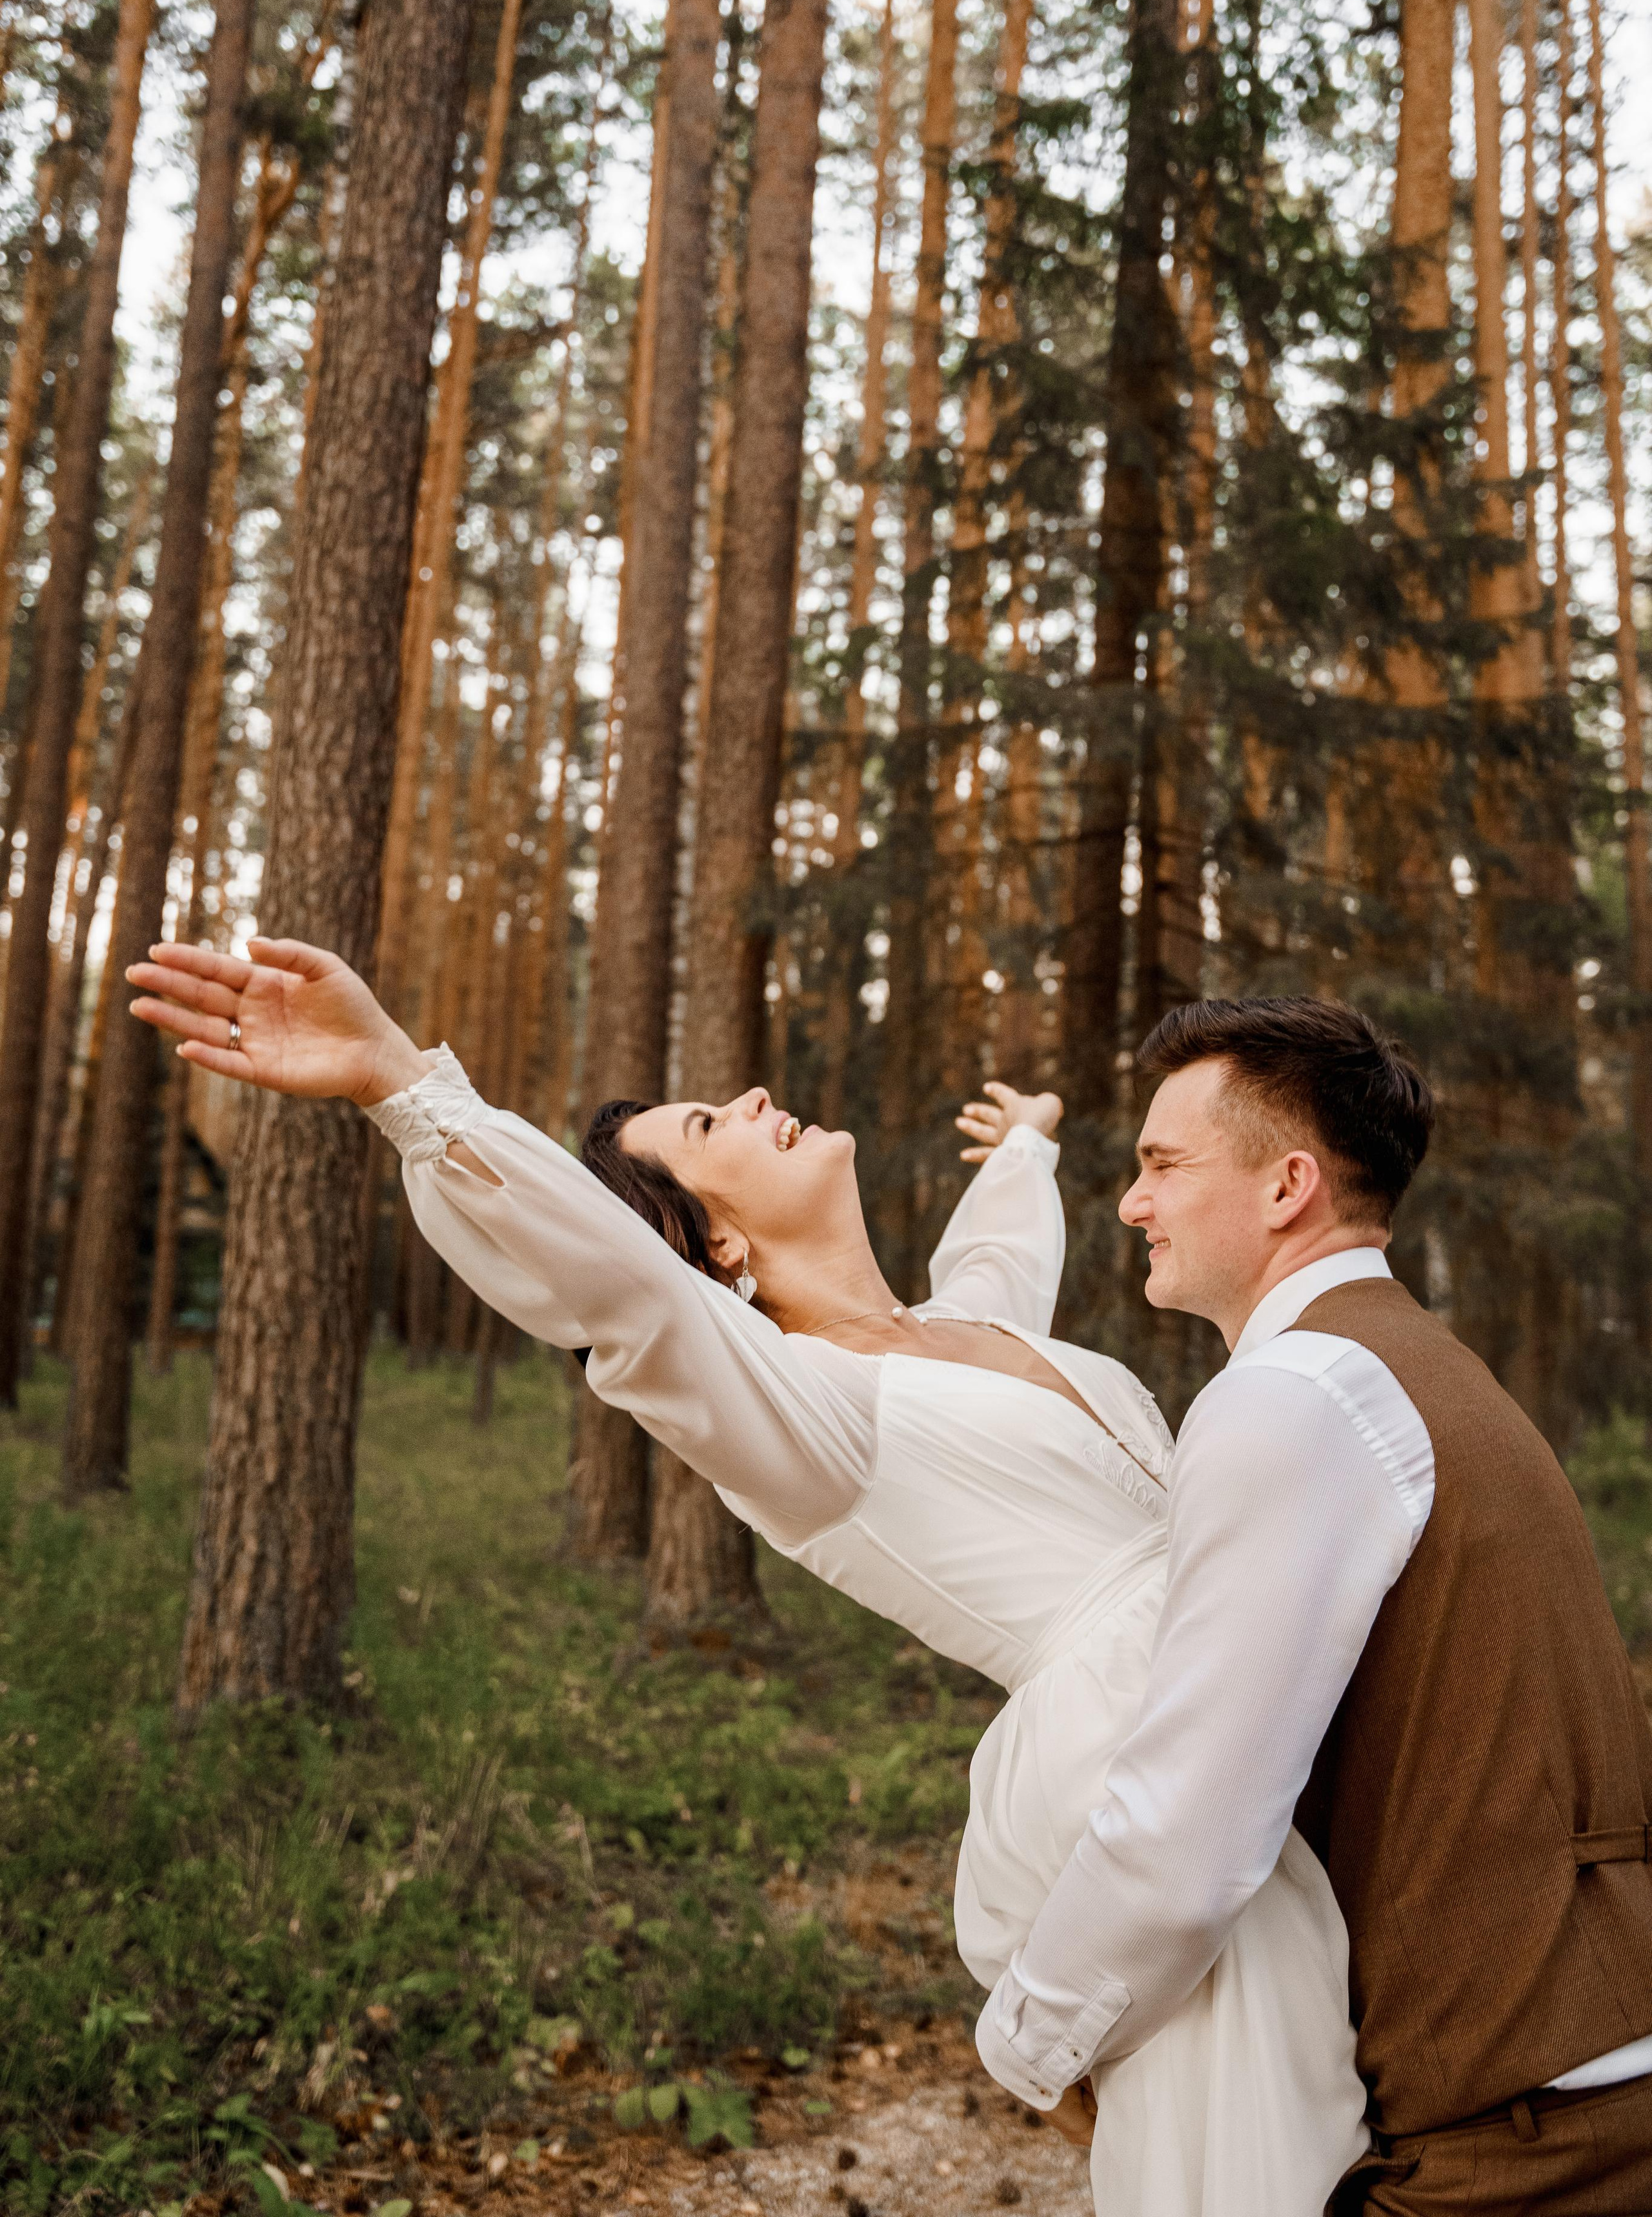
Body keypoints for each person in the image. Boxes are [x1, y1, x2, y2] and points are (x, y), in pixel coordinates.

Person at [126, 935, 1367, 2217]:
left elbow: (998, 1256)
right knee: (1266, 2140)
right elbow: (627, 1304)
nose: (761, 1100)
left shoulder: (969, 1329)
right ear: (713, 1243)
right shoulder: (804, 1420)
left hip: (1245, 1673)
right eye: (712, 1122)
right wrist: (404, 1086)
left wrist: (1025, 1147)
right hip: (1133, 1761)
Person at [974, 994, 1652, 2216]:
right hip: (1582, 2074)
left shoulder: (1293, 1395)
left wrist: (1026, 2037)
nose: (1132, 1204)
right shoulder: (1416, 1365)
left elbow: (1187, 1829)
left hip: (1522, 2140)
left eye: (1164, 1165)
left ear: (1288, 1187)